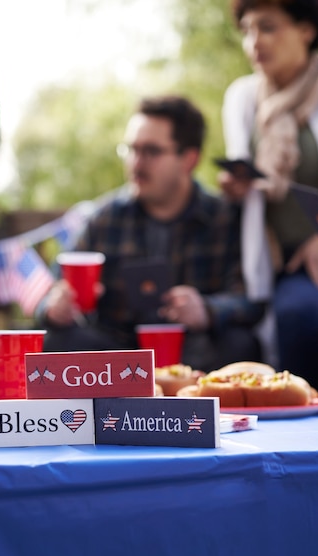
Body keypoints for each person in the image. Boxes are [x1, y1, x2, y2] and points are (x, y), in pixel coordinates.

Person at [38, 95, 265, 372]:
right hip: (117, 356)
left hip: (193, 354)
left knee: (240, 344)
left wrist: (206, 309)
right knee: (57, 342)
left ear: (189, 159)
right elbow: (51, 290)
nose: (137, 162)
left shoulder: (223, 217)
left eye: (151, 151)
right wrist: (55, 307)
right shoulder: (104, 217)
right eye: (131, 149)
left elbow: (252, 300)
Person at [219, 0, 318, 397]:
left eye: (267, 28)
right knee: (296, 313)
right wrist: (236, 186)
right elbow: (251, 188)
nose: (255, 42)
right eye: (248, 31)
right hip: (280, 264)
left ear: (306, 30)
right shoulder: (242, 97)